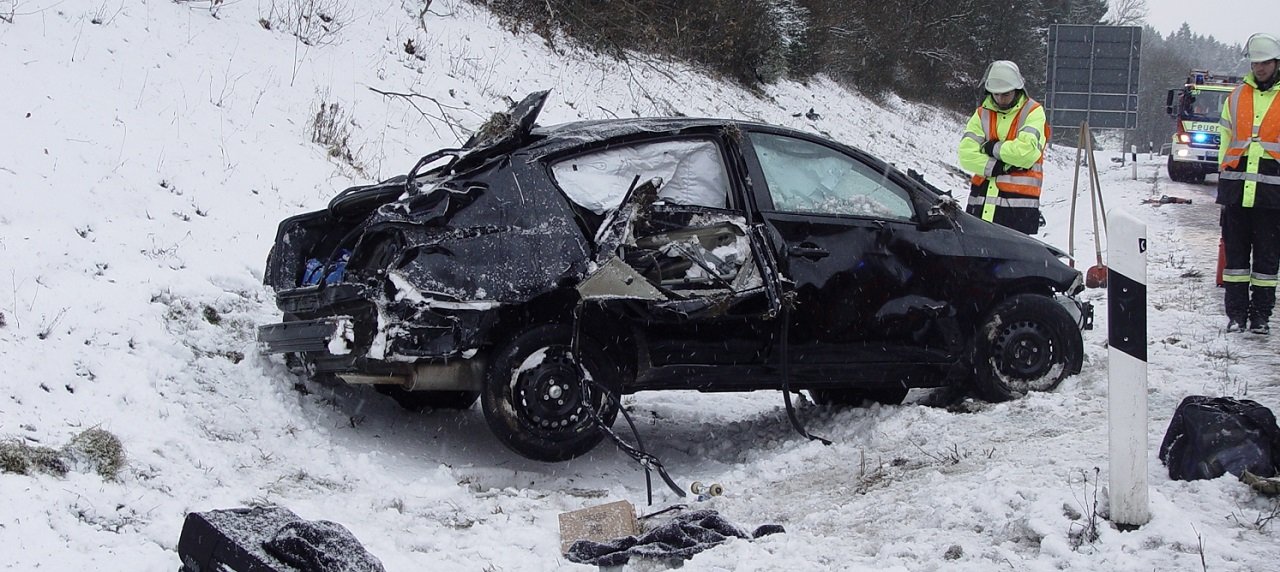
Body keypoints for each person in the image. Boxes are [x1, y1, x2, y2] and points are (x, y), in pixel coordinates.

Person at [1218, 32, 1280, 335]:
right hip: (1236, 189)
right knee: (1236, 259)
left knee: (1268, 260)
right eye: (1256, 63)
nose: (1260, 68)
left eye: (1265, 63)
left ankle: (1261, 316)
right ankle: (1236, 315)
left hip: (1272, 193)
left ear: (1275, 62)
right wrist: (1223, 172)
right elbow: (1226, 141)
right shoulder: (1237, 96)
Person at [957, 60, 1049, 235]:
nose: (1000, 99)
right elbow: (966, 155)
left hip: (1017, 209)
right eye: (996, 94)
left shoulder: (1033, 111)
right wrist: (1001, 166)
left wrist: (991, 148)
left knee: (1012, 261)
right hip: (980, 205)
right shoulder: (982, 113)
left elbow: (1026, 153)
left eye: (1005, 94)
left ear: (1017, 89)